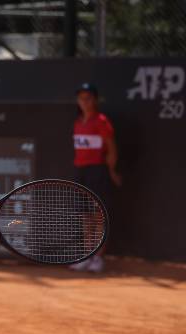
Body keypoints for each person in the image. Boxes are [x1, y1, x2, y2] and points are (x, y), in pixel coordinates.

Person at [69, 82, 120, 274]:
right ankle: (87, 255)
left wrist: (112, 170)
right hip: (80, 172)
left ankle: (98, 257)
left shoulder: (101, 121)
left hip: (98, 171)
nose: (84, 101)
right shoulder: (77, 122)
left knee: (98, 215)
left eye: (88, 98)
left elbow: (112, 149)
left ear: (95, 100)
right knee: (85, 215)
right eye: (81, 98)